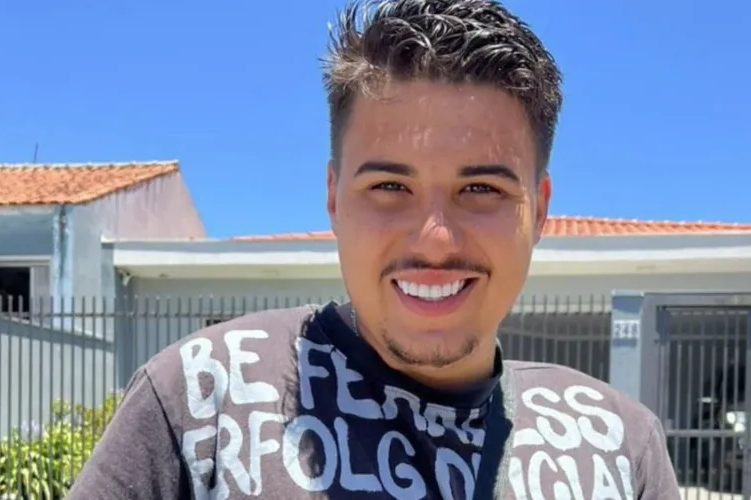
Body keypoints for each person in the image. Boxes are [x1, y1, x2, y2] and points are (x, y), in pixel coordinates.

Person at [68, 0, 680, 498]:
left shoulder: (617, 444)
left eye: (481, 189)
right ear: (334, 198)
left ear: (539, 210)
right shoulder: (204, 399)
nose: (434, 240)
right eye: (390, 186)